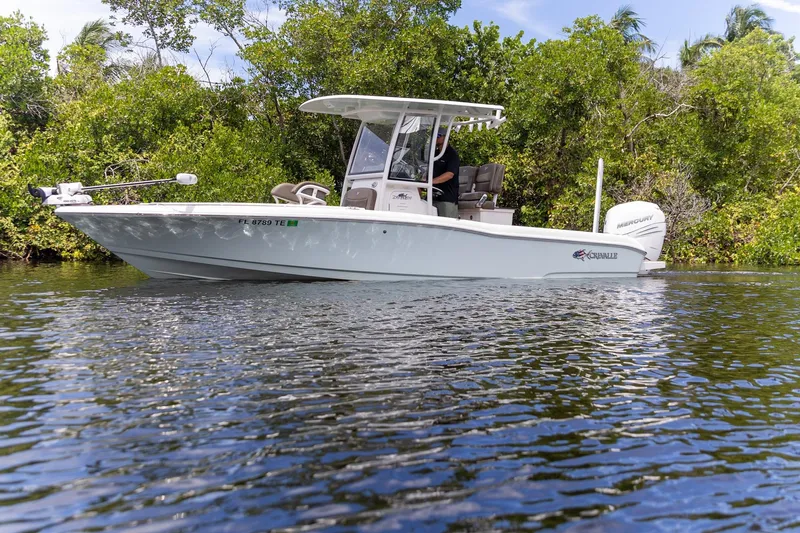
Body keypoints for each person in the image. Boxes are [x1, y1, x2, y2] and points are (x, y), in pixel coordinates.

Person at [431, 129, 460, 218]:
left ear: (445, 137)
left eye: (438, 135)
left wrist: (432, 182)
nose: (435, 138)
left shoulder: (452, 155)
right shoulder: (434, 154)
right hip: (433, 197)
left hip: (447, 198)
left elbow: (449, 174)